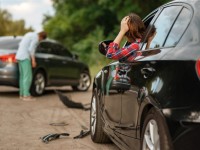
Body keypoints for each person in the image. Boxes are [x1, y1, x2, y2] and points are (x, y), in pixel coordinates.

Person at [16, 31, 47, 101]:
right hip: (25, 57)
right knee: (28, 76)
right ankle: (26, 95)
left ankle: (22, 94)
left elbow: (20, 44)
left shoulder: (29, 34)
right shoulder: (36, 38)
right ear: (41, 37)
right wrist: (33, 60)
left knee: (22, 77)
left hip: (19, 56)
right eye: (41, 40)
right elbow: (31, 49)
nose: (40, 41)